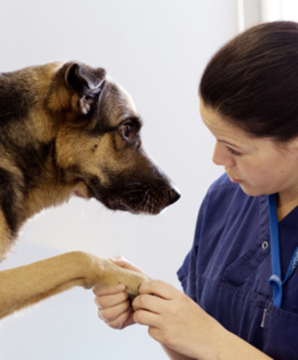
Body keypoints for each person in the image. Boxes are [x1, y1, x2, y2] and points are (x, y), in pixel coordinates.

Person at [93, 21, 298, 360]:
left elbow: (210, 344)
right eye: (214, 138)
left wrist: (212, 341)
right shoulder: (225, 198)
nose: (217, 159)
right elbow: (197, 350)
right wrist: (161, 313)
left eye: (235, 148)